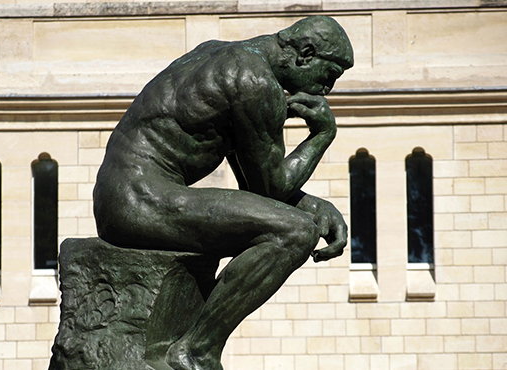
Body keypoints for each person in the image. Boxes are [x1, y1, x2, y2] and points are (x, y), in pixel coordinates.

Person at [93, 15, 353, 370]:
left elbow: (257, 186)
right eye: (329, 76)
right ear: (305, 54)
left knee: (292, 223)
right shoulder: (255, 82)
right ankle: (196, 351)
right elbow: (272, 187)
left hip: (123, 194)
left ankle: (191, 340)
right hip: (139, 198)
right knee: (295, 232)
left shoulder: (220, 54)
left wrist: (315, 205)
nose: (327, 90)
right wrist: (321, 135)